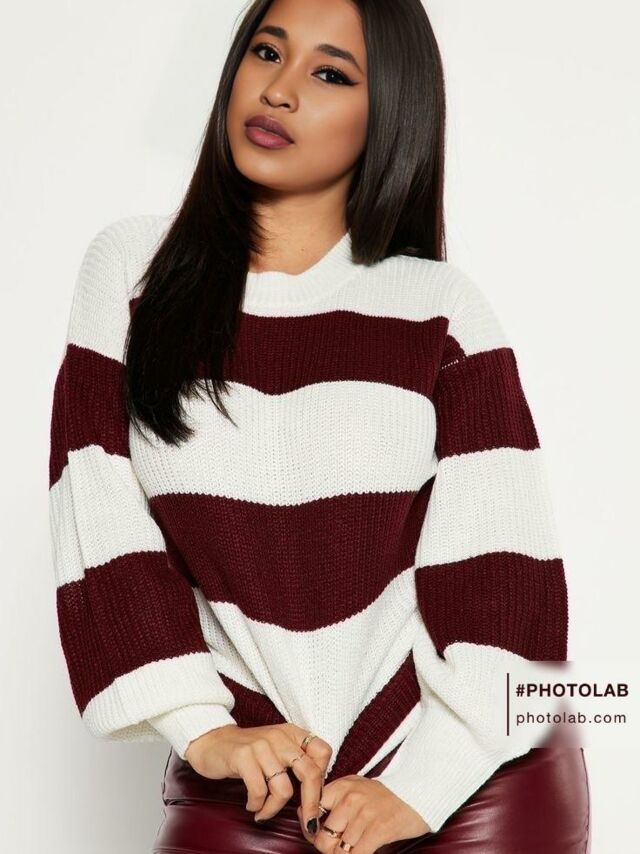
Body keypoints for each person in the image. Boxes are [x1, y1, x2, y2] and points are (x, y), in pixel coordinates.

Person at [48, 0, 591, 851]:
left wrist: (424, 784)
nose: (281, 89)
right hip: (253, 773)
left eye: (331, 72)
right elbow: (100, 516)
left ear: (390, 113)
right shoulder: (131, 273)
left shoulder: (438, 307)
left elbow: (506, 572)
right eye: (267, 52)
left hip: (467, 773)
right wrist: (202, 729)